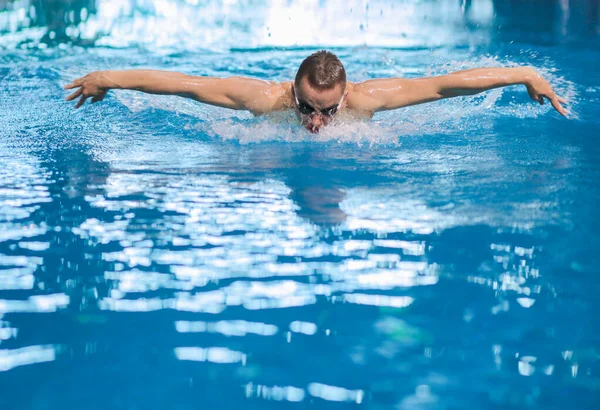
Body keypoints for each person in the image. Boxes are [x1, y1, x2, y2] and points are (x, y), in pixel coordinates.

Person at [64, 50, 568, 134]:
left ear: (345, 95)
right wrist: (107, 78)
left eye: (327, 110)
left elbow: (443, 86)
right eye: (306, 107)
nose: (315, 122)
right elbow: (185, 86)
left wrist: (523, 72)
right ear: (293, 89)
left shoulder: (370, 99)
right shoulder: (266, 98)